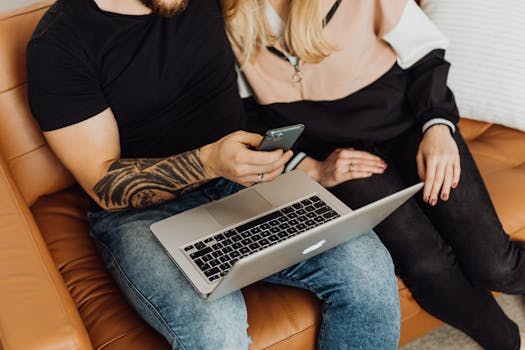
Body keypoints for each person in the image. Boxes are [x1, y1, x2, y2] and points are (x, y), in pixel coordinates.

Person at [26, 0, 401, 349]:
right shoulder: (60, 43)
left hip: (239, 183)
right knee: (215, 327)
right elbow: (103, 185)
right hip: (142, 215)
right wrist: (209, 162)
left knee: (366, 266)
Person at [223, 0, 525, 349]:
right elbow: (242, 118)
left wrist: (439, 126)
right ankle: (509, 341)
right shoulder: (226, 17)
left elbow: (424, 51)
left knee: (494, 265)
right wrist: (310, 167)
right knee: (427, 266)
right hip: (335, 157)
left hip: (415, 124)